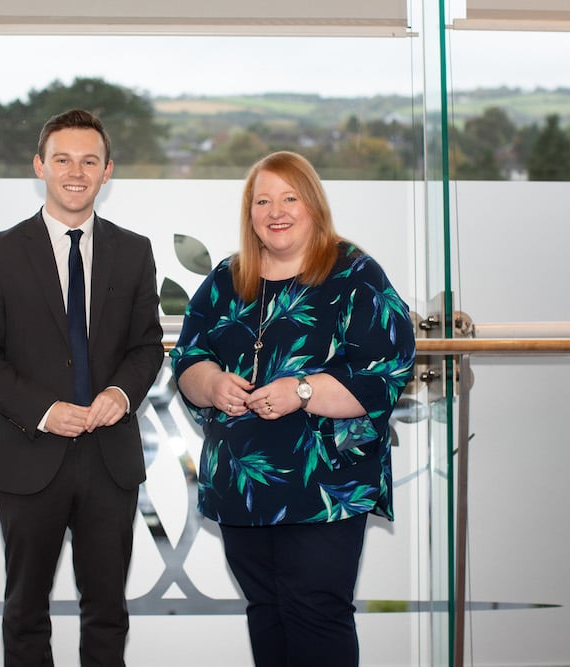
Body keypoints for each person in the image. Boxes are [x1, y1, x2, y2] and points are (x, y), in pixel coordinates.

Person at [169, 151, 416, 667]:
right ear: (250, 212)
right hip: (242, 485)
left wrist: (302, 391)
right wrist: (212, 384)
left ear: (313, 206)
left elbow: (387, 371)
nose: (275, 211)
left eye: (289, 197)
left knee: (316, 613)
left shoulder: (354, 274)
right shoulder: (226, 279)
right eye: (263, 200)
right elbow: (188, 358)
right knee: (266, 611)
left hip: (324, 487)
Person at [0, 108, 164, 667]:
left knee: (108, 611)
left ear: (107, 171)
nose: (76, 172)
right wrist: (45, 410)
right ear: (40, 166)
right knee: (25, 611)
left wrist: (120, 396)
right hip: (29, 455)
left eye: (89, 161)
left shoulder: (134, 249)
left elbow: (147, 346)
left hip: (110, 458)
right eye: (63, 159)